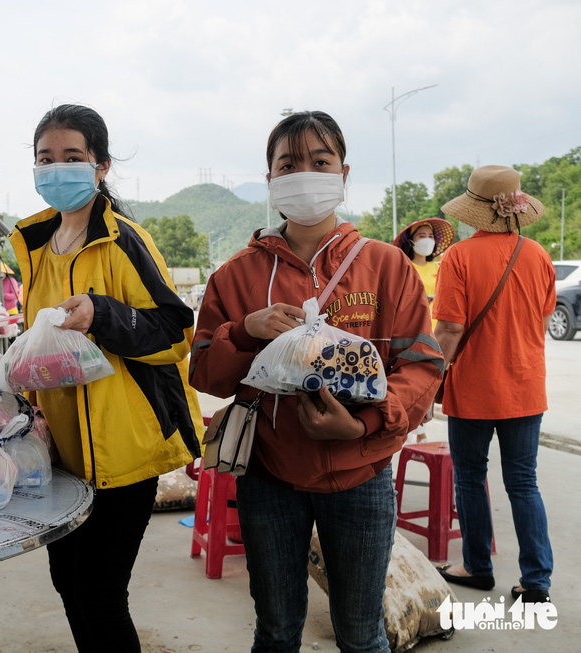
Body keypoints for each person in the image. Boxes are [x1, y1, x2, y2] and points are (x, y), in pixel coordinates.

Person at [190, 111, 443, 653]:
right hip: (270, 478)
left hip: (361, 475)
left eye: (319, 161)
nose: (305, 174)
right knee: (277, 631)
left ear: (343, 173)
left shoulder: (386, 266)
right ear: (271, 181)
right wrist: (244, 330)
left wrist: (362, 424)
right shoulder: (234, 275)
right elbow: (205, 372)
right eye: (289, 163)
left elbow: (422, 366)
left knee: (360, 632)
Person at [8, 103, 204, 653]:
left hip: (124, 454)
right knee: (67, 585)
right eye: (45, 158)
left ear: (101, 167)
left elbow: (174, 333)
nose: (57, 168)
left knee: (99, 593)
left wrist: (103, 314)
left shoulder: (123, 241)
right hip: (59, 455)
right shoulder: (36, 249)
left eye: (73, 156)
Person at [432, 165, 555, 605]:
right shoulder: (538, 254)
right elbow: (541, 323)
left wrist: (430, 381)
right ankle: (536, 581)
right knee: (524, 482)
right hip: (526, 385)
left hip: (474, 388)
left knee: (470, 477)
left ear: (475, 210)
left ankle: (476, 566)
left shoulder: (460, 257)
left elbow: (448, 329)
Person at [392, 217, 456, 442]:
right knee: (413, 381)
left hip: (439, 333)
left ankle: (420, 427)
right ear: (411, 241)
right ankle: (413, 428)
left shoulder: (438, 269)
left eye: (430, 236)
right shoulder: (404, 268)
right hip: (414, 333)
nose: (427, 240)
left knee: (432, 382)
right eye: (422, 236)